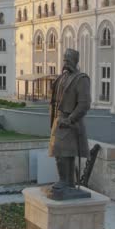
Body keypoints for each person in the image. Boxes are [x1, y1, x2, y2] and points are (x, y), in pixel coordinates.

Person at [47, 48, 91, 200]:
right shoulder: (61, 78)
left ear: (75, 61)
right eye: (64, 59)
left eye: (68, 59)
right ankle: (65, 181)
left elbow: (84, 104)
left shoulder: (81, 79)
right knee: (58, 153)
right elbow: (53, 101)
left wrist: (71, 119)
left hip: (70, 121)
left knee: (65, 153)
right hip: (59, 120)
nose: (65, 62)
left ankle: (67, 182)